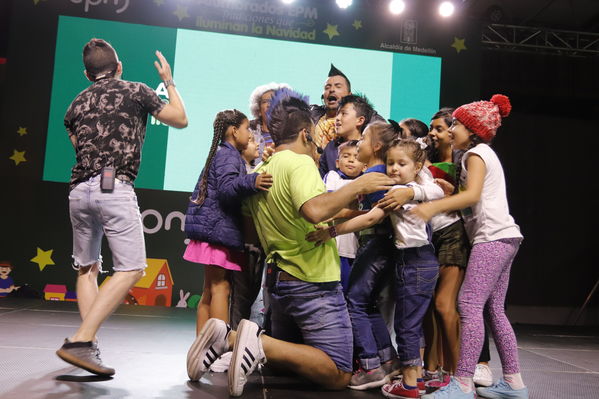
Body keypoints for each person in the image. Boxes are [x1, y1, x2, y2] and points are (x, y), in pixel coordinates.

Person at [188, 87, 396, 397]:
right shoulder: (300, 165)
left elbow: (252, 229)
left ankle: (230, 337)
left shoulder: (262, 169)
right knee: (339, 372)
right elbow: (313, 210)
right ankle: (246, 341)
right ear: (304, 134)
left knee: (289, 360)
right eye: (313, 137)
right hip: (313, 282)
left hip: (278, 283)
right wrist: (361, 185)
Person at [56, 38, 188, 376]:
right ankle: (81, 340)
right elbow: (180, 119)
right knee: (131, 269)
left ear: (88, 74)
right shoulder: (136, 90)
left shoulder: (75, 104)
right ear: (119, 67)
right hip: (113, 188)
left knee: (86, 269)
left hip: (78, 191)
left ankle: (88, 346)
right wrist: (169, 81)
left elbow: (78, 144)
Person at [414, 95, 528, 399]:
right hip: (506, 237)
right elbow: (473, 194)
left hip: (491, 239)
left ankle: (462, 383)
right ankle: (514, 383)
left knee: (468, 306)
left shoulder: (476, 154)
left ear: (474, 130)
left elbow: (472, 195)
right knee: (493, 310)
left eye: (457, 124)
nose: (451, 130)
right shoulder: (481, 154)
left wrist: (430, 209)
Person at [307, 138, 440, 398]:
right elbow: (370, 217)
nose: (393, 169)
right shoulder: (402, 190)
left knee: (407, 325)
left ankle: (411, 384)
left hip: (416, 260)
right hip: (411, 260)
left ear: (417, 167)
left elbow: (371, 217)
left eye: (402, 164)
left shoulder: (410, 190)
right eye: (390, 163)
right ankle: (414, 378)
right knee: (407, 322)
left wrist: (330, 231)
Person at [184, 109, 273, 380]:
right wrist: (253, 180)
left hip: (211, 232)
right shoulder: (228, 155)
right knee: (220, 288)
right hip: (218, 231)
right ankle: (220, 350)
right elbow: (226, 188)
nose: (250, 134)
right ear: (234, 131)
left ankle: (201, 348)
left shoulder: (221, 153)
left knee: (208, 292)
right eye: (247, 129)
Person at [322, 140, 366, 292]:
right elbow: (330, 200)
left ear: (365, 165)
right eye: (346, 156)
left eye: (357, 157)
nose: (351, 160)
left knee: (351, 290)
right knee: (336, 288)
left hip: (356, 247)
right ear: (337, 162)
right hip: (337, 246)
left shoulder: (365, 180)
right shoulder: (333, 176)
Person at [319, 94, 373, 177]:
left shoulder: (369, 149)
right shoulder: (330, 147)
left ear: (360, 120)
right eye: (337, 114)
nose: (337, 118)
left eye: (344, 114)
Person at [248, 82, 292, 161]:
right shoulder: (249, 134)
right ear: (259, 110)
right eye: (265, 101)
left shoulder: (292, 134)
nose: (269, 105)